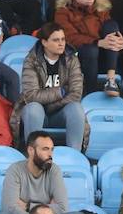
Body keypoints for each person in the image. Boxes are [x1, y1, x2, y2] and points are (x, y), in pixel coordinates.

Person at [0, 131, 88, 214]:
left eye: (51, 149)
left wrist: (29, 206)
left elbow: (62, 208)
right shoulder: (15, 170)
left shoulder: (54, 170)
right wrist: (43, 213)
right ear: (31, 150)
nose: (50, 154)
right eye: (45, 149)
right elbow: (9, 208)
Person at [11, 23, 89, 151]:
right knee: (33, 108)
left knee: (76, 108)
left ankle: (75, 156)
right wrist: (60, 92)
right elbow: (31, 95)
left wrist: (51, 105)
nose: (61, 43)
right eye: (56, 40)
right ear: (44, 42)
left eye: (63, 39)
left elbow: (75, 94)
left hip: (60, 112)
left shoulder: (71, 60)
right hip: (37, 111)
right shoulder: (32, 61)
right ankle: (34, 156)